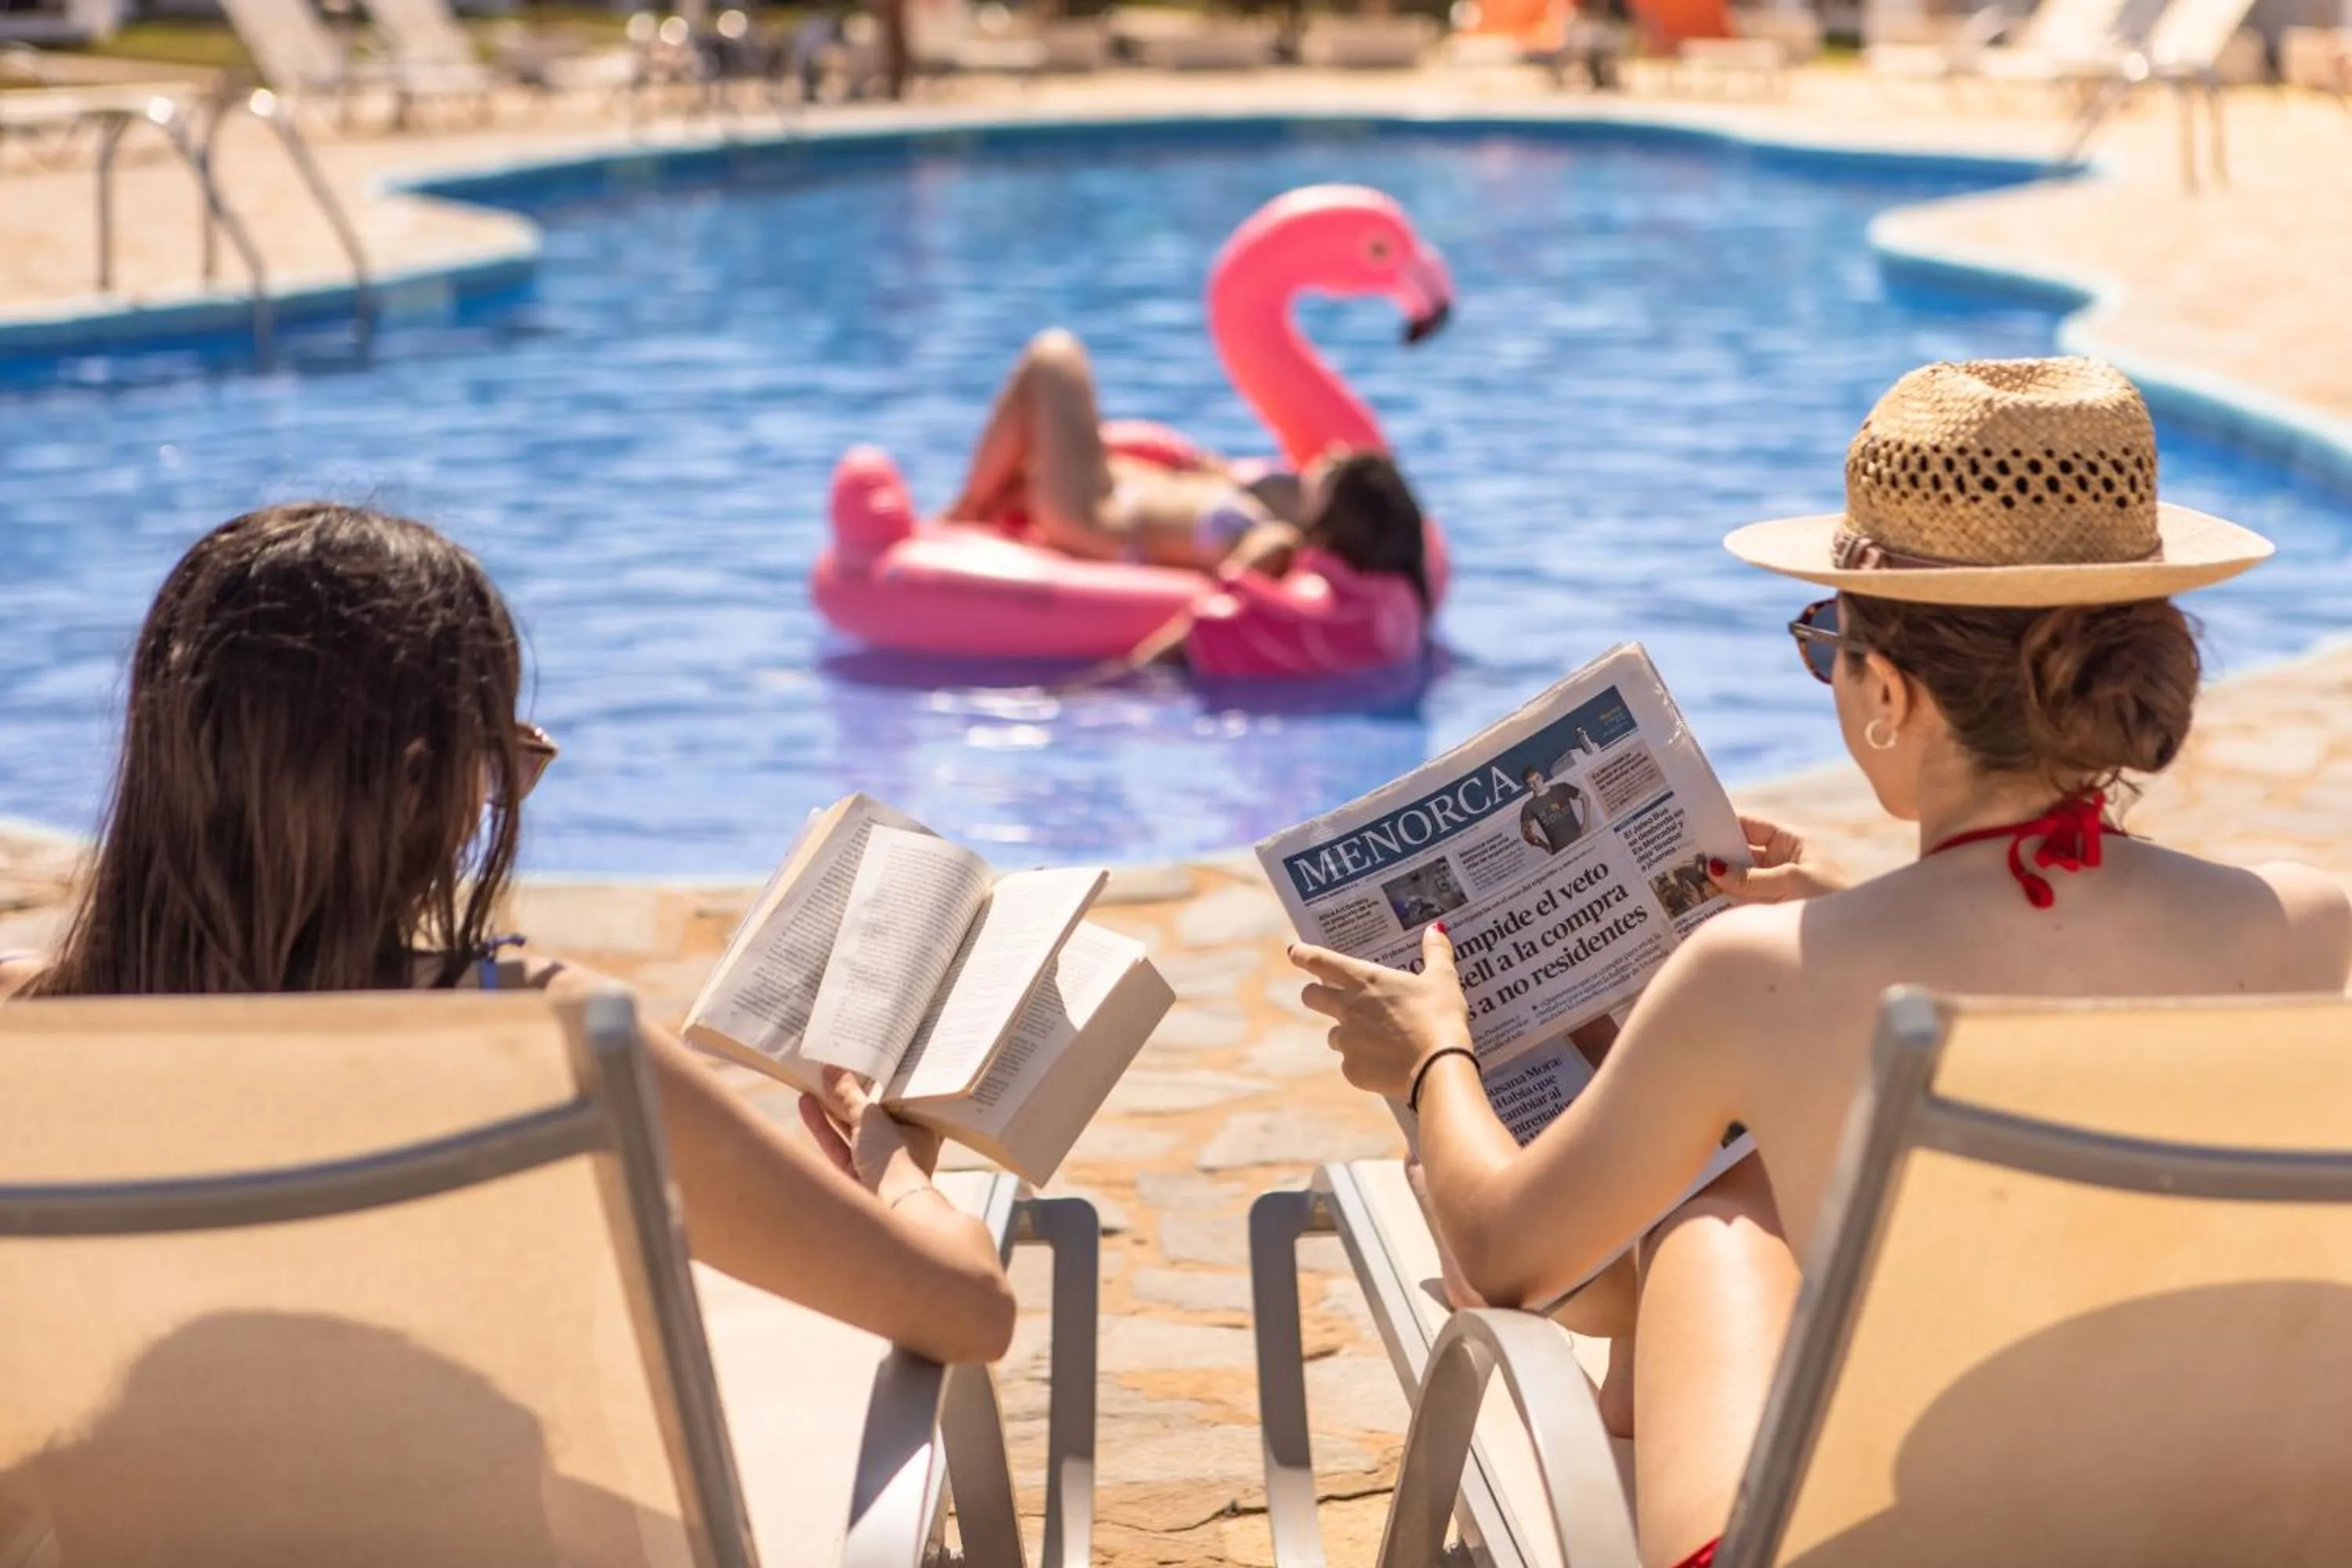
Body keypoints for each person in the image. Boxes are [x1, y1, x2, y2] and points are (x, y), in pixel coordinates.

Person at [1284, 358, 2350, 1568]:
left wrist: (1434, 1053)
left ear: (1887, 688)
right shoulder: (2307, 928)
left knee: (1718, 1214)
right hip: (2221, 1536)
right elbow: (2062, 955)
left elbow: (1506, 1254)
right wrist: (1857, 911)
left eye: (1825, 645)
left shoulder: (1759, 978)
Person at [0, 503, 1018, 1368]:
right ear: (410, 782)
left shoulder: (28, 1035)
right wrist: (890, 1161)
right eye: (490, 758)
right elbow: (967, 1312)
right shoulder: (544, 1039)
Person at [950, 328, 1430, 595]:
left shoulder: (1275, 536)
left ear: (1334, 506)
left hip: (1089, 516)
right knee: (1050, 399)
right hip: (1106, 493)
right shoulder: (1268, 497)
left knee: (1054, 356)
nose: (1337, 452)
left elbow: (1230, 592)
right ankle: (976, 506)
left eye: (1343, 466)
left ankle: (961, 513)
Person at [1519, 765, 1588, 853]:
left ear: (1542, 776)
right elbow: (1526, 834)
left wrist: (1586, 823)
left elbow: (1585, 797)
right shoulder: (1529, 806)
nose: (1536, 784)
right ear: (1527, 786)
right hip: (1559, 851)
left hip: (1580, 840)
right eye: (1531, 783)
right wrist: (1544, 846)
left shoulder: (1561, 788)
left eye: (1537, 778)